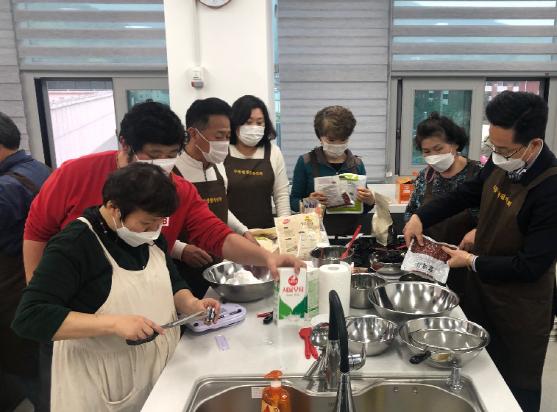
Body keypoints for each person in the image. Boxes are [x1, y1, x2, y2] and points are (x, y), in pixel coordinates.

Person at [22, 101, 303, 411]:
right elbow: (33, 306)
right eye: (155, 154)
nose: (156, 230)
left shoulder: (154, 221)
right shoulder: (77, 226)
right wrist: (47, 292)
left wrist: (190, 301)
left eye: (171, 155)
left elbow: (194, 253)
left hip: (146, 355)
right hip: (92, 357)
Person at [12, 163, 221, 412]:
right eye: (146, 223)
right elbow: (30, 317)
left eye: (159, 223)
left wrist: (192, 304)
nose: (153, 231)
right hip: (100, 382)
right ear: (113, 207)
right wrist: (113, 324)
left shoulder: (150, 237)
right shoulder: (74, 245)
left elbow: (172, 281)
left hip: (156, 371)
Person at [403, 91, 557, 412]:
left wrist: (471, 261)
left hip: (520, 306)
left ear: (534, 144)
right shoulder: (502, 163)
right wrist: (420, 217)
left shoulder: (550, 189)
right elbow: (466, 193)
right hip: (483, 288)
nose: (496, 155)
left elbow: (530, 266)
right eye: (492, 146)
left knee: (515, 385)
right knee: (478, 373)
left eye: (504, 149)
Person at [174, 97, 256, 297]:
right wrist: (180, 250)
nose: (225, 143)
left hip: (217, 264)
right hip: (182, 272)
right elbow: (157, 226)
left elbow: (220, 209)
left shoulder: (218, 168)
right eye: (219, 136)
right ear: (194, 133)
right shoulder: (173, 171)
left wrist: (243, 231)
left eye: (228, 136)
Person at [0, 112, 50, 410]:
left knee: (33, 380)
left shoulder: (6, 188)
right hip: (41, 289)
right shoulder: (40, 170)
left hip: (14, 298)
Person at [404, 112, 481, 298]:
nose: (433, 156)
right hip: (431, 265)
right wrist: (412, 225)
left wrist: (480, 231)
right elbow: (412, 212)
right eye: (427, 152)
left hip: (468, 265)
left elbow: (498, 218)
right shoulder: (425, 177)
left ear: (455, 144)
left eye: (438, 149)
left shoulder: (479, 175)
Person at [290, 105, 374, 235]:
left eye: (343, 140)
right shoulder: (306, 162)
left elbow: (365, 207)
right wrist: (309, 202)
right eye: (331, 140)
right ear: (320, 137)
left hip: (350, 235)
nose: (337, 145)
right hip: (315, 235)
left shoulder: (357, 164)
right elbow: (293, 201)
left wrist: (370, 200)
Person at [224, 95, 290, 229]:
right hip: (229, 233)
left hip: (266, 232)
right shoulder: (223, 151)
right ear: (235, 123)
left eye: (259, 123)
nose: (254, 127)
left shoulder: (273, 152)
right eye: (248, 122)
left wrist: (286, 229)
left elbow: (281, 195)